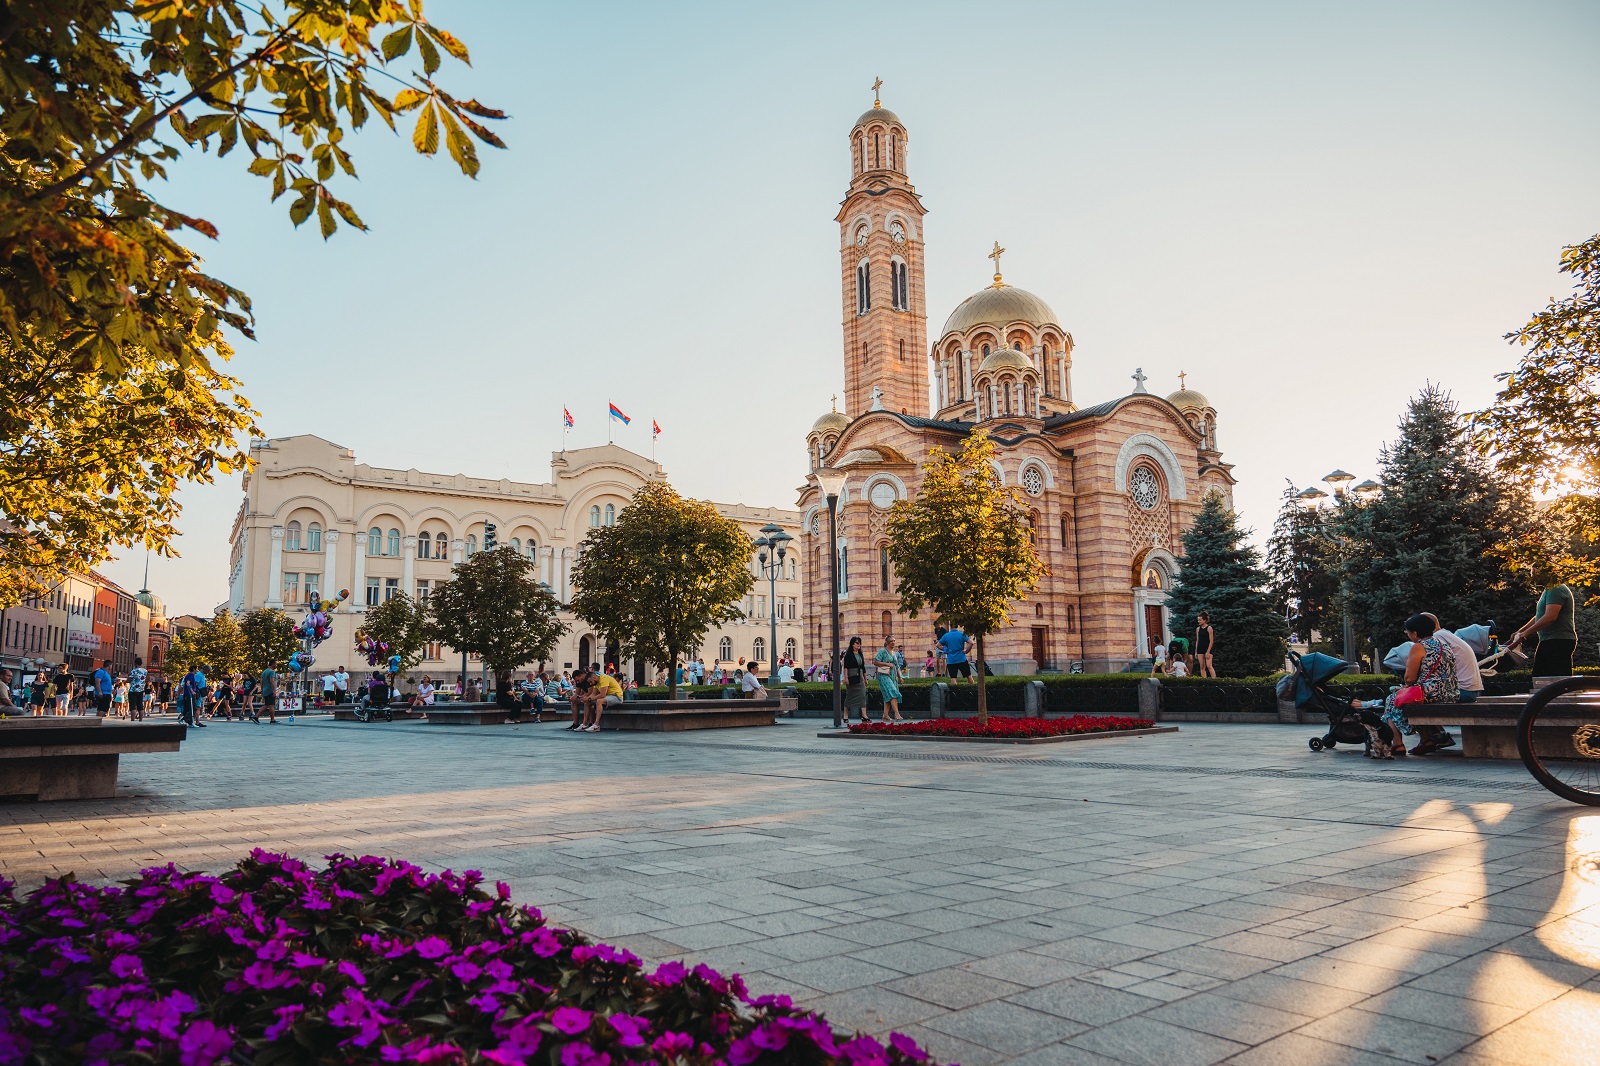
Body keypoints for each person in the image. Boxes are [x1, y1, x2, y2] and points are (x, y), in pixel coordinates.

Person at [1352, 613, 1458, 757]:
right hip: (1450, 693)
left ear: (1415, 633)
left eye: (1408, 632)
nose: (1408, 635)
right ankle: (1425, 739)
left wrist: (1406, 685)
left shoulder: (1419, 647)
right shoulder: (1443, 644)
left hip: (1432, 693)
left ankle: (1397, 744)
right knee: (1405, 699)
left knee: (1392, 700)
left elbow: (1409, 678)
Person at [1507, 579, 1578, 677]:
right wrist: (1520, 631)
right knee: (1541, 678)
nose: (1532, 576)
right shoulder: (1548, 590)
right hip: (1549, 640)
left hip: (1558, 641)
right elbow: (1539, 617)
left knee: (1555, 679)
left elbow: (1550, 617)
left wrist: (1526, 633)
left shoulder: (1555, 589)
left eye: (1534, 572)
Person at [1428, 614, 1484, 704]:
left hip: (1462, 691)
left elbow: (1434, 667)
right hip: (1471, 690)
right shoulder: (1446, 634)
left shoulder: (1436, 638)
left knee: (1416, 696)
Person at [582, 663, 622, 732]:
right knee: (587, 702)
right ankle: (584, 725)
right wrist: (586, 698)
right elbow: (593, 694)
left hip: (616, 696)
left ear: (594, 678)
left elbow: (602, 695)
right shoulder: (595, 682)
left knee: (599, 701)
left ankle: (596, 725)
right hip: (608, 696)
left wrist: (589, 698)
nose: (590, 684)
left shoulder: (604, 679)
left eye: (591, 682)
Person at [875, 636, 906, 722]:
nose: (893, 642)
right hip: (884, 675)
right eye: (891, 641)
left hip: (893, 676)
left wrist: (900, 677)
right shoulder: (883, 651)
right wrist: (887, 664)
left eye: (894, 641)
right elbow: (875, 661)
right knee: (893, 693)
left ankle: (885, 715)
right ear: (888, 642)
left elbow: (897, 666)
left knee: (888, 695)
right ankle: (897, 713)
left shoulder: (894, 653)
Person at [842, 636, 869, 725]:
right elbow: (846, 667)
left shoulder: (860, 654)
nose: (859, 645)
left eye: (860, 643)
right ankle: (845, 715)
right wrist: (846, 678)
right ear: (852, 644)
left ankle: (864, 716)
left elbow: (863, 667)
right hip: (851, 676)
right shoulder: (848, 655)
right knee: (849, 696)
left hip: (860, 676)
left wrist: (865, 679)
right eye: (857, 643)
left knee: (862, 695)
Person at [1194, 612, 1217, 678]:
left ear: (1205, 620)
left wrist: (1208, 651)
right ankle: (1204, 680)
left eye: (1200, 620)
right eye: (1198, 620)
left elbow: (1211, 640)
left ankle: (1214, 680)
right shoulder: (1198, 629)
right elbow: (1197, 640)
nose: (1199, 621)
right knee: (1202, 666)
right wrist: (1196, 651)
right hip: (1200, 648)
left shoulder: (1209, 628)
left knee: (1209, 665)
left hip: (1207, 648)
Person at [128, 657, 148, 721]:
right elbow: (146, 679)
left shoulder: (133, 671)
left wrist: (125, 681)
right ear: (142, 663)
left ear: (135, 663)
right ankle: (141, 720)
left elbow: (129, 679)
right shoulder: (145, 671)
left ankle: (132, 720)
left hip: (133, 690)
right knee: (140, 706)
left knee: (133, 706)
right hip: (141, 689)